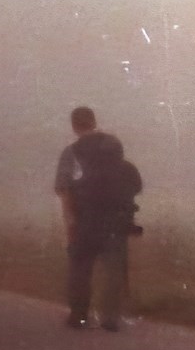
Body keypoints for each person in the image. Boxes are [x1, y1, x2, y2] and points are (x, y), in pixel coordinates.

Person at [53, 106, 142, 330]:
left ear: (74, 126)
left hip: (85, 219)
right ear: (94, 121)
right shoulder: (114, 146)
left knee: (80, 267)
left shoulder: (71, 152)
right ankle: (110, 318)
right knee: (113, 269)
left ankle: (79, 316)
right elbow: (130, 182)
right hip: (115, 218)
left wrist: (70, 222)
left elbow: (65, 190)